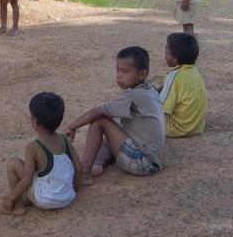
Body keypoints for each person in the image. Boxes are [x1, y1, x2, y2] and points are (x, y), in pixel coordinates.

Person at [62, 46, 165, 185]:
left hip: (144, 162)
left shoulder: (134, 96)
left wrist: (71, 126)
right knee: (107, 140)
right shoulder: (149, 88)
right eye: (117, 70)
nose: (119, 75)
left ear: (142, 74)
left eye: (125, 71)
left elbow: (96, 112)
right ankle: (97, 166)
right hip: (150, 158)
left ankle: (85, 173)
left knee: (100, 121)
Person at [3, 92, 82, 215]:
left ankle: (17, 206)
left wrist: (10, 198)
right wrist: (74, 190)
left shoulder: (33, 147)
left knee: (13, 164)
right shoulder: (65, 140)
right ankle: (30, 197)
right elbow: (79, 167)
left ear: (35, 122)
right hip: (68, 197)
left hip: (45, 200)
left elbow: (27, 180)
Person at [159, 32, 208, 138]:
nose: (164, 54)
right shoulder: (194, 71)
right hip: (196, 127)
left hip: (177, 128)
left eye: (166, 51)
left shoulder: (174, 77)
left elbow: (160, 108)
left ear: (175, 58)